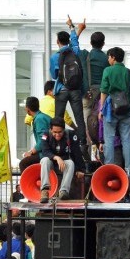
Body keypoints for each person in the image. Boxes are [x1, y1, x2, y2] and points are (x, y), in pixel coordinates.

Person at [50, 16, 89, 161]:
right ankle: (83, 144)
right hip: (76, 91)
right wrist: (72, 27)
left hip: (61, 90)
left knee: (58, 118)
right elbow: (75, 40)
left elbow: (54, 75)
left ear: (57, 42)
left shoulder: (55, 57)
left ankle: (57, 144)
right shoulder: (75, 51)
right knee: (79, 118)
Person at [99, 47, 130, 183]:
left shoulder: (108, 71)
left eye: (109, 57)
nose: (108, 59)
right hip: (126, 109)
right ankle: (129, 169)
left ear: (113, 57)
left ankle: (109, 167)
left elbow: (103, 90)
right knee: (126, 139)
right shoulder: (128, 72)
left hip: (111, 108)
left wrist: (101, 109)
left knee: (109, 139)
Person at [40, 117, 85, 203]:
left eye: (60, 132)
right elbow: (45, 151)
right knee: (45, 160)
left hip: (64, 163)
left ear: (64, 130)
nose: (57, 135)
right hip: (51, 162)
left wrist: (80, 169)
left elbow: (77, 153)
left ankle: (64, 191)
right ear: (50, 130)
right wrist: (56, 157)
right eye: (54, 132)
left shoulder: (71, 135)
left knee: (71, 163)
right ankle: (44, 190)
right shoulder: (45, 135)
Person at [79, 30, 110, 131]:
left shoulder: (84, 55)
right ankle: (101, 142)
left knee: (87, 120)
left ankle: (89, 144)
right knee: (102, 119)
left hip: (88, 92)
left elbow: (72, 46)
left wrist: (77, 30)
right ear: (103, 44)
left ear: (90, 43)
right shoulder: (107, 59)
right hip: (103, 93)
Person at [19, 96, 53, 173]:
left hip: (46, 152)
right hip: (46, 150)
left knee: (23, 163)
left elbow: (43, 139)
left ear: (27, 109)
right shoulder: (42, 116)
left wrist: (31, 152)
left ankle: (27, 184)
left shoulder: (39, 119)